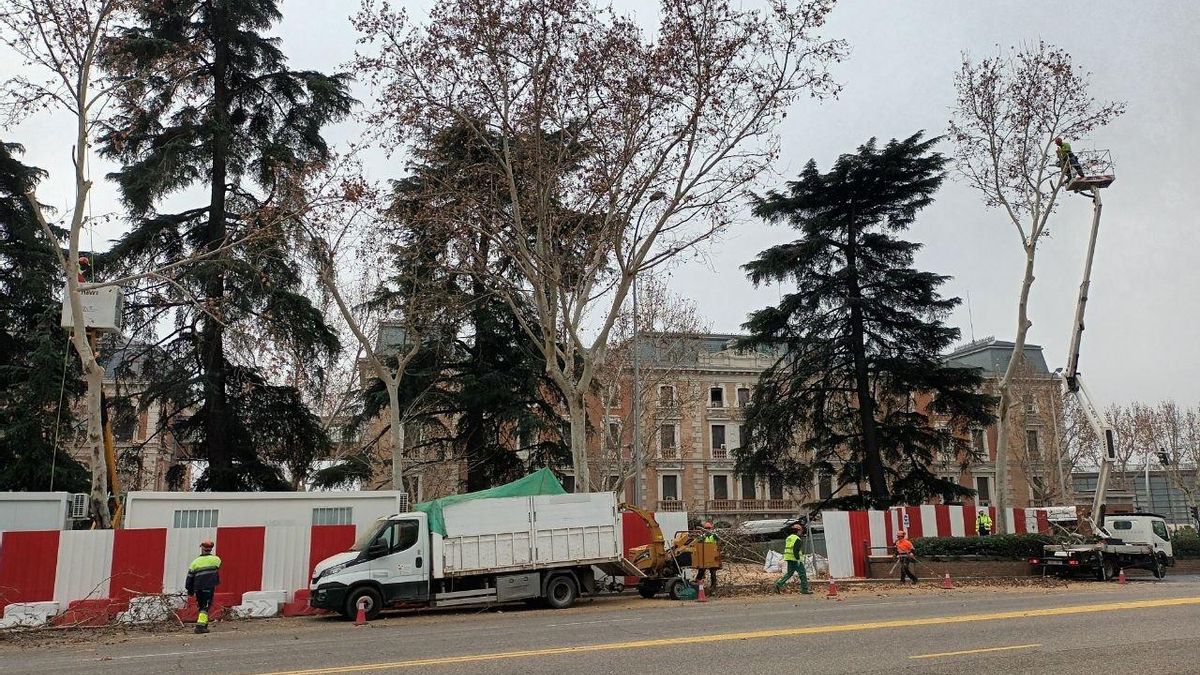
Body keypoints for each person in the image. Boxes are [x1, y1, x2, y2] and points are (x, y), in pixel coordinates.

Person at [185, 540, 222, 634]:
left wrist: (190, 590)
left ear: (202, 548)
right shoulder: (216, 560)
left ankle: (203, 625)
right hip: (208, 587)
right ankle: (200, 627)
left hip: (197, 588)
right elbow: (217, 567)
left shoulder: (195, 562)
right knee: (205, 607)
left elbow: (190, 578)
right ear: (211, 549)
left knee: (201, 606)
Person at [774, 522, 812, 594]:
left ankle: (778, 584)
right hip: (795, 559)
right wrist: (798, 559)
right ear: (797, 531)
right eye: (800, 531)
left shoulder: (789, 538)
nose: (801, 532)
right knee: (802, 574)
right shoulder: (797, 539)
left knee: (789, 573)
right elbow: (795, 550)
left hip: (788, 558)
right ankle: (804, 589)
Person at [695, 521, 719, 593]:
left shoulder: (713, 536)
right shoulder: (703, 537)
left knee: (713, 573)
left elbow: (718, 540)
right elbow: (698, 542)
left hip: (712, 557)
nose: (707, 529)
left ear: (711, 529)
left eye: (709, 528)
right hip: (704, 557)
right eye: (706, 528)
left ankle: (713, 587)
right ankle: (697, 586)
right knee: (701, 571)